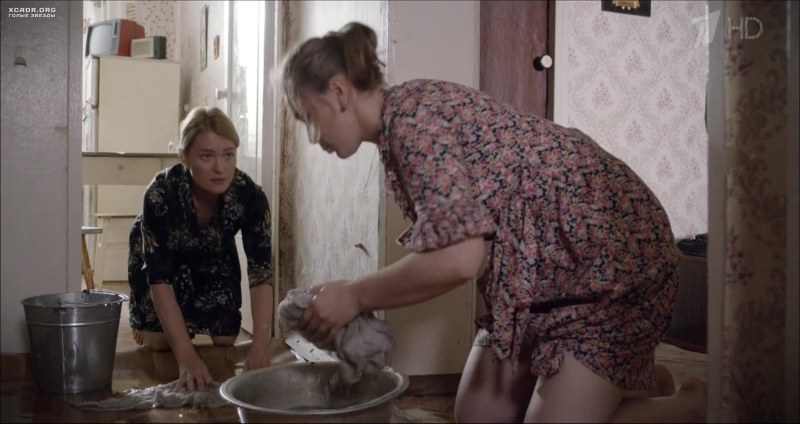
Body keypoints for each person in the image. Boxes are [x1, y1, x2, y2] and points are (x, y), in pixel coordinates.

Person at [280, 21, 708, 423]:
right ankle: (637, 387)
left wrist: (354, 295)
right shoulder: (401, 128)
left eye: (306, 117)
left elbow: (459, 260)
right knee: (479, 417)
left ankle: (690, 405)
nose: (312, 137)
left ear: (338, 92)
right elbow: (475, 249)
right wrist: (348, 298)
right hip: (544, 286)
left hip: (614, 269)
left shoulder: (412, 120)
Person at [127, 106, 274, 392]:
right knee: (159, 343)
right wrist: (187, 358)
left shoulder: (250, 196)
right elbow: (159, 279)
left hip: (213, 250)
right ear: (184, 157)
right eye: (207, 156)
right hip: (162, 253)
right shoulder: (160, 193)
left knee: (226, 338)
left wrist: (260, 345)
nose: (220, 168)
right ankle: (148, 318)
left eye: (228, 155)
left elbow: (261, 273)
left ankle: (183, 321)